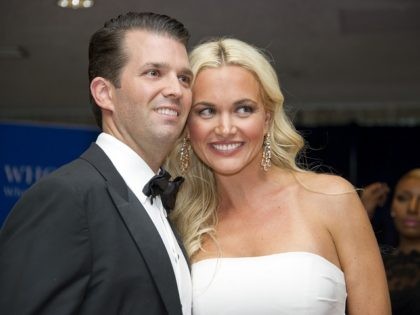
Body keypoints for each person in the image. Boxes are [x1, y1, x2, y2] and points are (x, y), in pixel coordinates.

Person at [166, 38, 391, 314]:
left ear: (268, 119)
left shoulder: (332, 199)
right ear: (187, 127)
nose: (225, 128)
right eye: (207, 111)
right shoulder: (177, 220)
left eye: (243, 109)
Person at [0, 12, 193, 315]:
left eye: (184, 78)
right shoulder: (65, 198)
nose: (176, 89)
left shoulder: (166, 203)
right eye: (154, 73)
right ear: (104, 93)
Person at [361, 168, 420, 315]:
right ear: (392, 206)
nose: (413, 208)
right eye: (403, 198)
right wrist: (361, 216)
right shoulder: (375, 262)